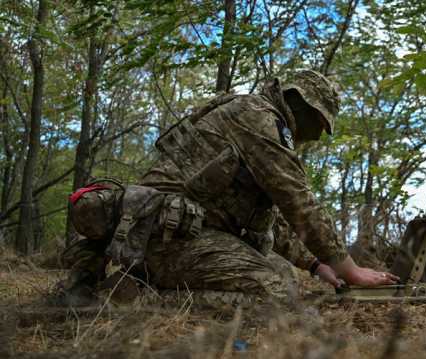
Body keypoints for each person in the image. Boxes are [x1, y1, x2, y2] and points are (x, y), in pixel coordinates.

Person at [58, 70, 398, 306]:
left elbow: (271, 218)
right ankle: (132, 295)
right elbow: (298, 202)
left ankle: (144, 278)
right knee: (275, 295)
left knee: (284, 276)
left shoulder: (256, 120)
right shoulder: (258, 119)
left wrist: (315, 265)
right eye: (320, 124)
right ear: (301, 104)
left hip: (182, 235)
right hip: (167, 236)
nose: (315, 135)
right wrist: (348, 268)